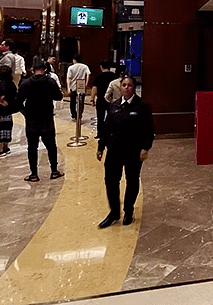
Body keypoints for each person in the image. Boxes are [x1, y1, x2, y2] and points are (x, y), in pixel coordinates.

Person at [96, 76, 154, 228]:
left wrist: (145, 147)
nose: (126, 88)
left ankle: (128, 210)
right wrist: (101, 147)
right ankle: (114, 212)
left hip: (133, 151)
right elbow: (107, 128)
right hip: (114, 150)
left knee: (132, 180)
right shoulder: (114, 105)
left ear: (134, 87)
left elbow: (149, 129)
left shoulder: (142, 106)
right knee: (111, 181)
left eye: (129, 85)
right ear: (120, 87)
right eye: (124, 85)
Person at [18, 58, 65, 182]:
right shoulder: (50, 82)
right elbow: (59, 96)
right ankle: (54, 171)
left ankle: (34, 174)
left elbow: (18, 102)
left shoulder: (26, 83)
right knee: (51, 146)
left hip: (31, 120)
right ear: (45, 70)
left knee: (32, 147)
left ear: (32, 70)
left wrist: (26, 113)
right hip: (46, 118)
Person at [91, 60, 119, 131]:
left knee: (100, 118)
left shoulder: (98, 77)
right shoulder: (115, 76)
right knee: (111, 117)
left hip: (100, 99)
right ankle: (110, 132)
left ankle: (100, 133)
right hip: (112, 100)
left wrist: (92, 99)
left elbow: (94, 89)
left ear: (101, 67)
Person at [66, 54, 91, 121]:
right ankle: (80, 115)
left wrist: (68, 87)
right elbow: (88, 74)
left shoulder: (71, 67)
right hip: (81, 86)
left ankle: (74, 115)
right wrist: (86, 84)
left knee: (73, 102)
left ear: (74, 60)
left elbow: (68, 78)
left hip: (73, 86)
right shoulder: (85, 66)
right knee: (81, 102)